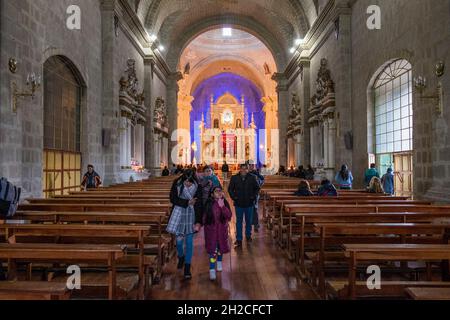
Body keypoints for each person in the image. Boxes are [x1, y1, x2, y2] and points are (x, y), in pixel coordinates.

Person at [166, 169, 203, 280]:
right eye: (186, 181)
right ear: (183, 179)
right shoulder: (177, 184)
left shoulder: (198, 187)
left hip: (191, 215)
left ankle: (187, 267)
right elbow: (173, 198)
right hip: (179, 213)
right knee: (179, 241)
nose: (187, 183)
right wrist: (186, 202)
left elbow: (200, 204)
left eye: (190, 182)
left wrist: (198, 221)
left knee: (189, 242)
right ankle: (181, 256)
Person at [203, 186, 232, 281]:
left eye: (220, 191)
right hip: (211, 232)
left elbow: (229, 216)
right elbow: (204, 218)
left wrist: (222, 206)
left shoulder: (224, 202)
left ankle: (219, 262)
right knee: (212, 251)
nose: (219, 193)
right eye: (216, 191)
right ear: (212, 194)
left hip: (222, 231)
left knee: (220, 248)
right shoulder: (208, 204)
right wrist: (208, 224)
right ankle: (212, 269)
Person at [228, 164, 260, 247]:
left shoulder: (252, 177)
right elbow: (230, 189)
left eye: (246, 169)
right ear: (240, 169)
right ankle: (239, 239)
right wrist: (234, 197)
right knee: (239, 221)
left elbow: (257, 188)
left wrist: (253, 196)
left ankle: (248, 236)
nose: (244, 170)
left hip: (249, 203)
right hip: (238, 203)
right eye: (242, 169)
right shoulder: (234, 178)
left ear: (248, 169)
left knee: (248, 221)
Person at [249, 162, 265, 233]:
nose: (252, 166)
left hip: (255, 194)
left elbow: (262, 180)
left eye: (253, 165)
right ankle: (250, 224)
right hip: (247, 194)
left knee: (254, 209)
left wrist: (259, 185)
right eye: (250, 165)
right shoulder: (245, 173)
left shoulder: (256, 173)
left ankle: (256, 224)